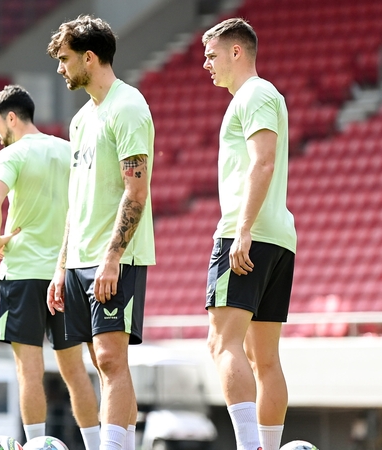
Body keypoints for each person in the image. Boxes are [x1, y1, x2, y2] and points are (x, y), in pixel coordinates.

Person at [46, 15, 156, 450]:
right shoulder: (80, 120)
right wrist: (61, 266)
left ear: (89, 58)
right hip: (79, 260)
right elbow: (76, 200)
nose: (60, 68)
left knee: (111, 360)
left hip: (115, 257)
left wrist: (111, 257)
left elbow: (137, 188)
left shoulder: (128, 106)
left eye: (65, 59)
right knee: (104, 363)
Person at [0, 85, 101, 449]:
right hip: (66, 273)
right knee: (75, 371)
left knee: (28, 372)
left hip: (22, 273)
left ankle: (35, 446)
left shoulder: (11, 155)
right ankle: (96, 446)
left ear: (11, 118)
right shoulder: (68, 150)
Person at [201, 18, 296, 450]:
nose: (207, 63)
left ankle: (248, 446)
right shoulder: (261, 96)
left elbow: (263, 162)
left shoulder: (254, 94)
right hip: (278, 236)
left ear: (236, 52)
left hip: (248, 233)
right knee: (264, 359)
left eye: (212, 54)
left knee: (222, 343)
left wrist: (241, 231)